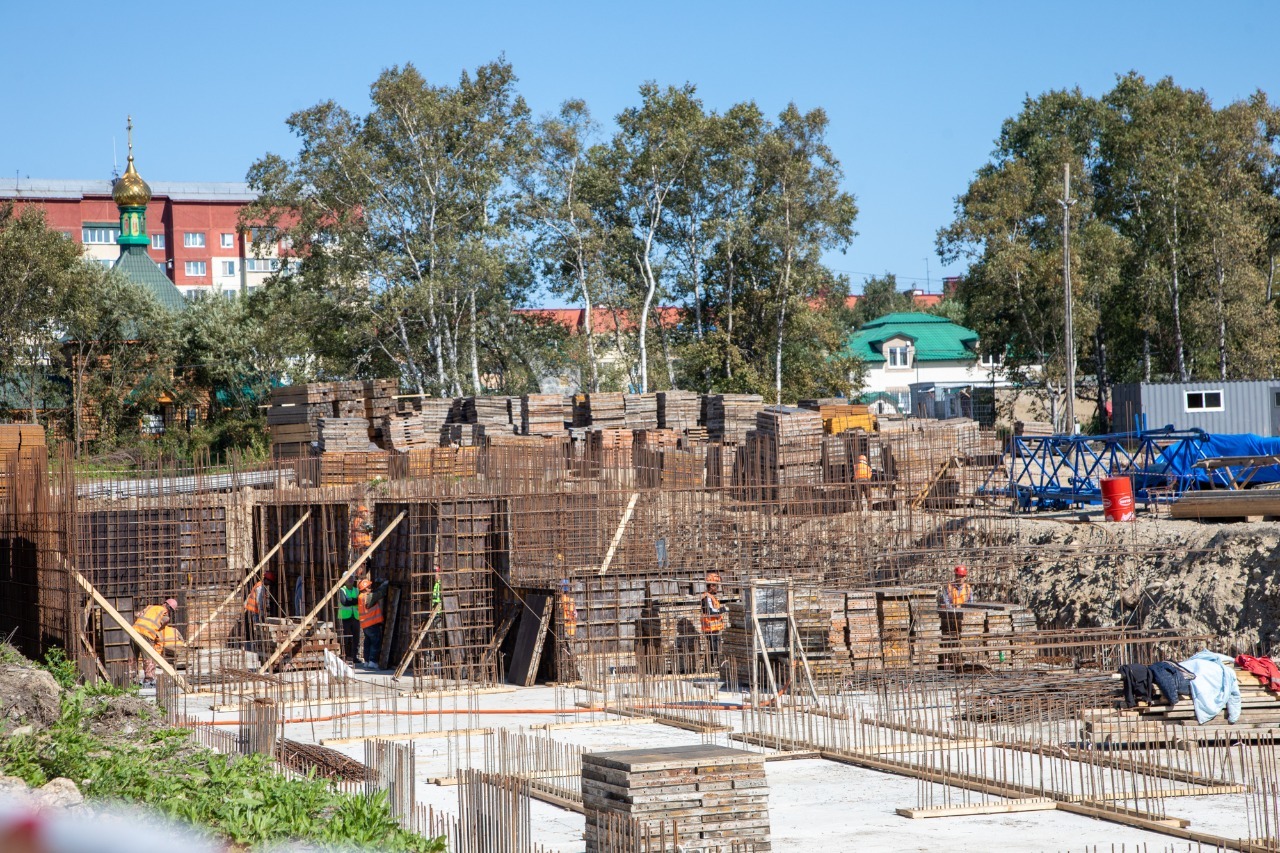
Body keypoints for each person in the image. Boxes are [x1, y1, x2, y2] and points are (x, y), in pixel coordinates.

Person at [131, 598, 177, 686]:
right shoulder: (164, 614)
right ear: (170, 608)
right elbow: (162, 625)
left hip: (134, 630)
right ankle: (149, 679)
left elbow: (137, 615)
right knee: (148, 657)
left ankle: (130, 676)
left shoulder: (150, 607)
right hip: (147, 634)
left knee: (133, 656)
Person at [358, 577, 390, 670]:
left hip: (365, 625)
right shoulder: (367, 597)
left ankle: (367, 661)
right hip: (372, 624)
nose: (370, 588)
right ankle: (372, 661)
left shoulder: (361, 597)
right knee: (375, 642)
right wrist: (385, 584)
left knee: (367, 642)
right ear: (365, 588)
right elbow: (379, 594)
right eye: (369, 587)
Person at [701, 572, 728, 665]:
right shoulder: (707, 598)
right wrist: (722, 609)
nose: (718, 588)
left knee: (715, 647)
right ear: (712, 586)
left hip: (714, 628)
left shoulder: (712, 597)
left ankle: (709, 665)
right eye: (716, 586)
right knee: (713, 647)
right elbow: (710, 612)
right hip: (710, 628)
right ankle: (708, 666)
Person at [337, 575, 362, 665]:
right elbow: (344, 602)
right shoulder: (342, 590)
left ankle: (354, 657)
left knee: (356, 638)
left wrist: (351, 600)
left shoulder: (356, 590)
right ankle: (344, 656)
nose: (350, 579)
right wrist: (354, 600)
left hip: (355, 617)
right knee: (345, 638)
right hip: (345, 618)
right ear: (344, 580)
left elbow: (360, 601)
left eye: (351, 578)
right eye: (348, 578)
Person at [349, 505, 373, 574]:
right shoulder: (360, 521)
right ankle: (359, 576)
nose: (366, 514)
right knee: (366, 563)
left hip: (359, 545)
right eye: (364, 512)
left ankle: (359, 575)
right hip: (362, 545)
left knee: (362, 563)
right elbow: (370, 528)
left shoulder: (356, 521)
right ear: (360, 513)